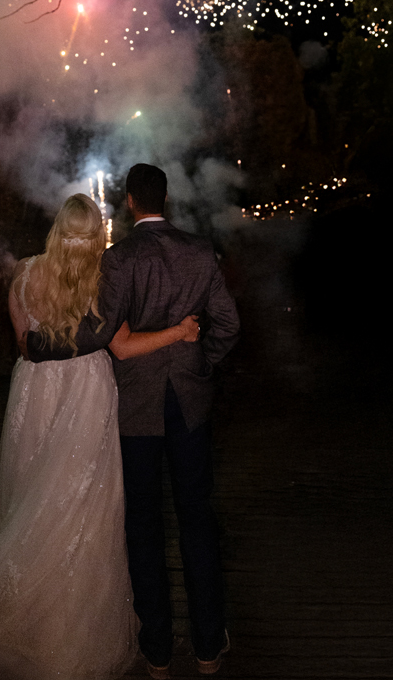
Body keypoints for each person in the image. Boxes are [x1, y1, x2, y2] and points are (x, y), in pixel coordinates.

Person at [0, 192, 200, 680]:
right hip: (86, 394)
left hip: (34, 394)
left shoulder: (23, 274)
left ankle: (21, 603)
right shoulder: (105, 280)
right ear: (98, 233)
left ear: (56, 228)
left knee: (34, 497)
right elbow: (122, 348)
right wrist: (180, 331)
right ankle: (63, 623)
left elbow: (25, 344)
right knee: (81, 506)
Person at [100, 164, 241, 679]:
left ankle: (157, 650)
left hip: (137, 403)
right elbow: (227, 323)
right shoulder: (199, 251)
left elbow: (104, 329)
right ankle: (207, 646)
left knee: (143, 522)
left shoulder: (118, 259)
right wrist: (202, 363)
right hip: (189, 401)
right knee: (196, 518)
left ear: (131, 202)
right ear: (166, 199)